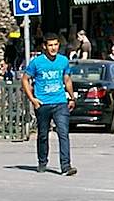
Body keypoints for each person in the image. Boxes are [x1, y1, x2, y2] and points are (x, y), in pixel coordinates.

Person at [23, 32, 77, 175]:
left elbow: (67, 79)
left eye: (56, 45)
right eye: (50, 45)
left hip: (60, 102)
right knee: (43, 135)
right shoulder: (36, 62)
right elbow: (25, 79)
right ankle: (42, 162)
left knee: (63, 133)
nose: (53, 48)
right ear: (44, 46)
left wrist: (72, 97)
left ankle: (66, 166)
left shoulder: (63, 61)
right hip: (43, 104)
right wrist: (33, 99)